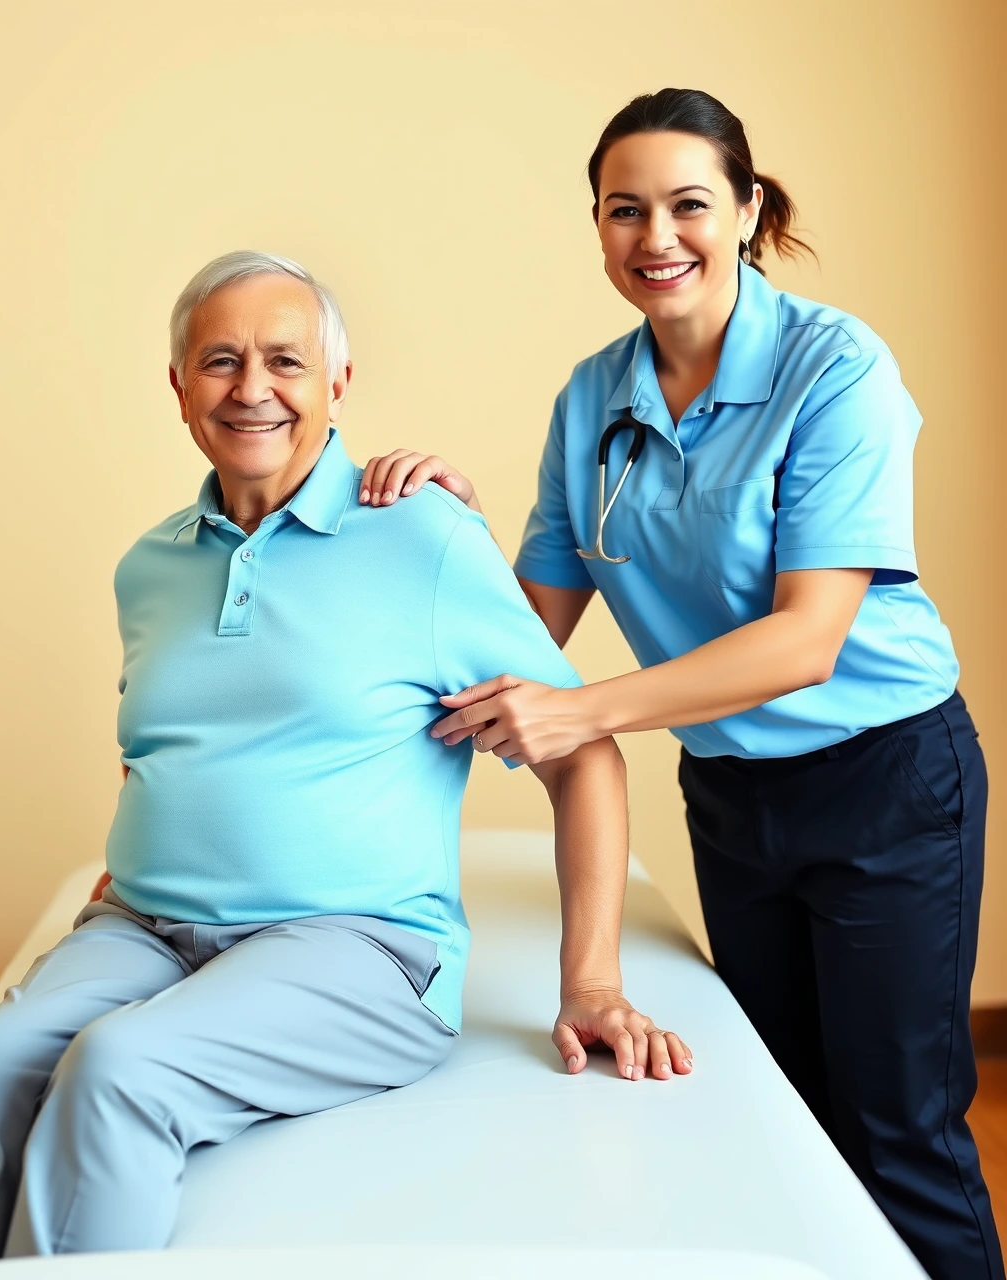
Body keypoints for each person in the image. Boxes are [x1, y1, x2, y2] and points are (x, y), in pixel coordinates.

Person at [0, 251, 689, 1272]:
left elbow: (582, 752)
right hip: (145, 926)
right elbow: (170, 742)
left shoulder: (422, 536)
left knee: (118, 1069)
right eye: (219, 361)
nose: (251, 388)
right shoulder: (148, 565)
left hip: (356, 949)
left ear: (337, 383)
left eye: (284, 360)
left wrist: (589, 979)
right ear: (177, 389)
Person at [362, 88, 1000, 1280]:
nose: (656, 237)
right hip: (733, 794)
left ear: (747, 209)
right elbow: (527, 630)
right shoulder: (589, 396)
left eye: (687, 204)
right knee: (780, 1117)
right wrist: (441, 532)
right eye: (623, 211)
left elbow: (805, 639)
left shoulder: (834, 367)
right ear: (596, 228)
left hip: (885, 783)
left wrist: (582, 707)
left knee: (896, 1132)